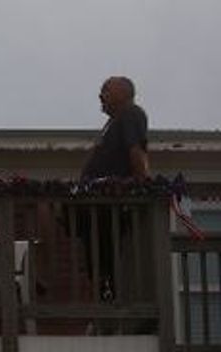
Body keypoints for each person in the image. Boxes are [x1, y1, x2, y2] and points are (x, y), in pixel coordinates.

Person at [75, 76, 150, 309]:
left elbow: (135, 151)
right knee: (98, 258)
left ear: (123, 92)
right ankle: (105, 297)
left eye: (105, 90)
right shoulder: (113, 122)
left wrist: (142, 185)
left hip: (109, 205)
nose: (101, 95)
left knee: (107, 257)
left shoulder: (131, 113)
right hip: (95, 204)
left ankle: (111, 303)